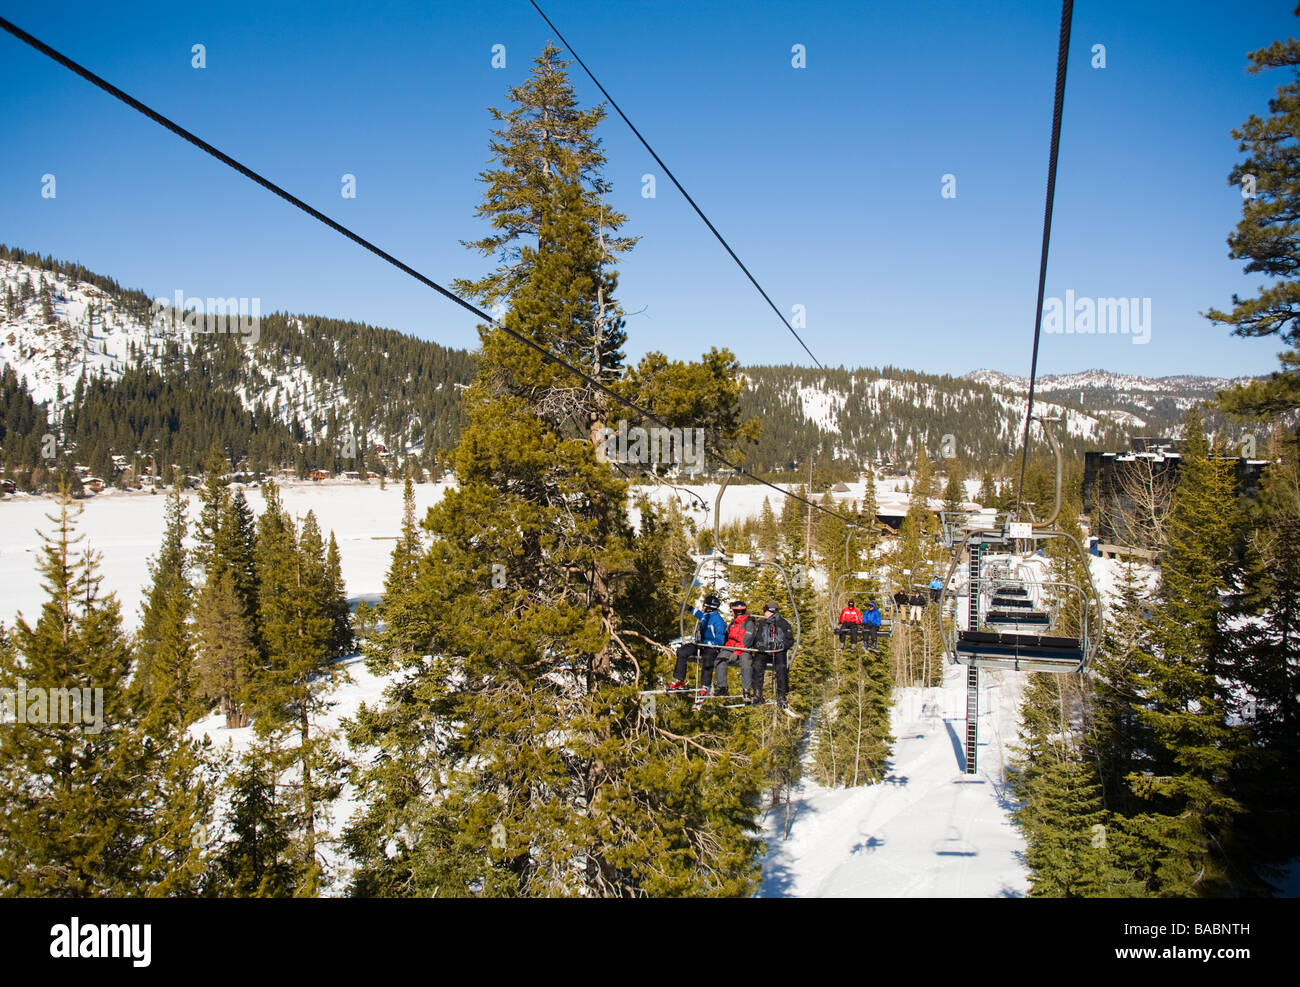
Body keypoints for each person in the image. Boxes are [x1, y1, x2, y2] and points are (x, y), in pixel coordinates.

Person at [669, 593, 728, 694]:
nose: (704, 607)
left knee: (708, 657)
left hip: (711, 647)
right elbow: (699, 614)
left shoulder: (719, 621)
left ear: (709, 607)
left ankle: (705, 685)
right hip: (700, 645)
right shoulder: (706, 616)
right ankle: (679, 680)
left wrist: (708, 642)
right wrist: (689, 608)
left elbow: (720, 640)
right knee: (682, 651)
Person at [749, 601, 794, 708]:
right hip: (764, 651)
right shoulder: (762, 624)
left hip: (778, 651)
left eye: (766, 611)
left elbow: (790, 640)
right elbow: (756, 639)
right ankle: (757, 693)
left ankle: (782, 695)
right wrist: (759, 645)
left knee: (781, 668)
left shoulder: (783, 624)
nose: (764, 613)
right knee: (757, 665)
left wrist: (780, 646)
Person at [715, 600, 756, 698]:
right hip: (731, 647)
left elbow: (747, 641)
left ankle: (746, 690)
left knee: (746, 661)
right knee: (721, 658)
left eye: (732, 611)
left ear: (736, 612)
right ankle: (722, 687)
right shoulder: (733, 623)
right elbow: (728, 636)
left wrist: (736, 653)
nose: (731, 613)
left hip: (744, 649)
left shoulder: (749, 623)